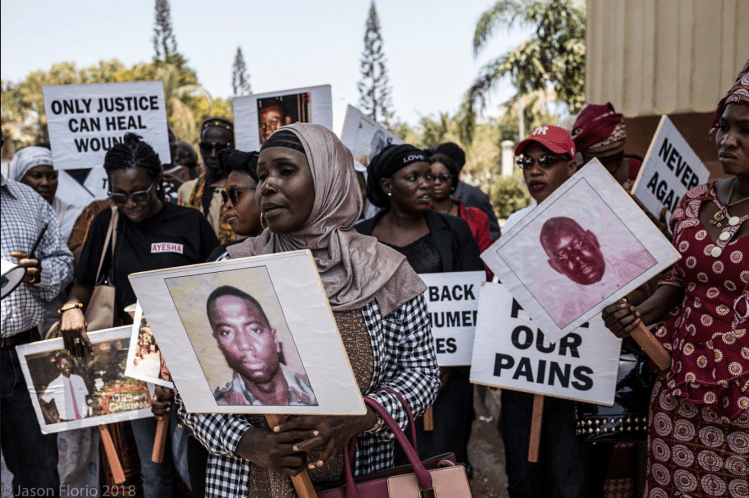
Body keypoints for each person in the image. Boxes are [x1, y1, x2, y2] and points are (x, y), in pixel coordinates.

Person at [179, 124, 439, 497]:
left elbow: (422, 374)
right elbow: (188, 389)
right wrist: (248, 441)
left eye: (285, 171)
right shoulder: (229, 268)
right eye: (263, 174)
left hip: (359, 476)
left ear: (328, 178)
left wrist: (360, 417)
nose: (267, 185)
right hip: (245, 483)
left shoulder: (385, 271)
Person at [603, 59, 749, 498]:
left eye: (746, 131)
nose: (728, 140)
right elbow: (679, 279)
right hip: (679, 382)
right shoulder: (693, 202)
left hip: (742, 397)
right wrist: (636, 317)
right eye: (724, 126)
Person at [61, 132, 219, 497]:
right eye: (118, 195)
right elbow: (83, 283)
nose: (129, 204)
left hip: (191, 356)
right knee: (154, 469)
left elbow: (216, 284)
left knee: (194, 462)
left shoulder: (190, 223)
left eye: (139, 194)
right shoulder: (107, 223)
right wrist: (72, 307)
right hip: (136, 357)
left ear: (158, 182)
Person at [355, 143, 485, 469]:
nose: (426, 184)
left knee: (441, 470)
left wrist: (437, 375)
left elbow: (472, 302)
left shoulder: (455, 232)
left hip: (447, 380)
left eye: (428, 176)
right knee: (387, 474)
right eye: (413, 177)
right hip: (379, 389)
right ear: (387, 186)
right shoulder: (358, 239)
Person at [499, 125, 592, 498]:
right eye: (527, 162)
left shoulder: (596, 219)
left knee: (570, 482)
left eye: (547, 161)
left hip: (576, 373)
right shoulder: (516, 223)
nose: (534, 171)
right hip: (527, 370)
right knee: (523, 479)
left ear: (572, 166)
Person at [1, 132, 74, 495]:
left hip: (21, 352)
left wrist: (38, 272)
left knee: (40, 472)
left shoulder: (29, 202)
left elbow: (63, 260)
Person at [207, 285, 317, 407]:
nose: (244, 345)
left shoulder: (317, 386)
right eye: (226, 333)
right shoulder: (217, 407)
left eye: (255, 330)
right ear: (219, 345)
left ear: (275, 339)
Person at [429, 152, 494, 278]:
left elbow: (488, 262)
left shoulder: (477, 217)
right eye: (431, 177)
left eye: (443, 177)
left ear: (453, 180)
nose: (436, 182)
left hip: (470, 289)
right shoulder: (417, 217)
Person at [178, 118, 236, 244]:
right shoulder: (186, 190)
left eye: (220, 147)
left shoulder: (241, 191)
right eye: (207, 147)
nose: (213, 154)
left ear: (232, 148)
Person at [9, 145, 79, 243]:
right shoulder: (5, 211)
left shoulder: (70, 213)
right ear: (19, 179)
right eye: (36, 176)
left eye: (52, 176)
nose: (45, 183)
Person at [434, 141, 501, 240]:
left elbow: (494, 233)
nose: (436, 182)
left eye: (443, 176)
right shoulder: (424, 199)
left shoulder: (475, 196)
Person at [571, 103, 642, 189]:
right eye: (604, 162)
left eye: (617, 158)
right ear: (586, 159)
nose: (612, 166)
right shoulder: (576, 183)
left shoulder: (636, 169)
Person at [41, 354, 89, 422]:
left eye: (68, 363)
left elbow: (85, 398)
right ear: (58, 366)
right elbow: (42, 403)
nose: (67, 365)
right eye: (63, 363)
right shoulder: (54, 384)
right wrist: (52, 420)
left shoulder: (79, 379)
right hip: (67, 422)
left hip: (84, 419)